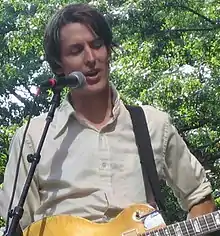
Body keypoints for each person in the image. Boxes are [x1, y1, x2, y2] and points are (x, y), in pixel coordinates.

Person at [0, 2, 216, 232]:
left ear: (108, 50)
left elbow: (199, 197)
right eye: (76, 50)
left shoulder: (153, 125)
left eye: (97, 45)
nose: (91, 58)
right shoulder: (33, 136)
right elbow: (18, 226)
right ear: (58, 65)